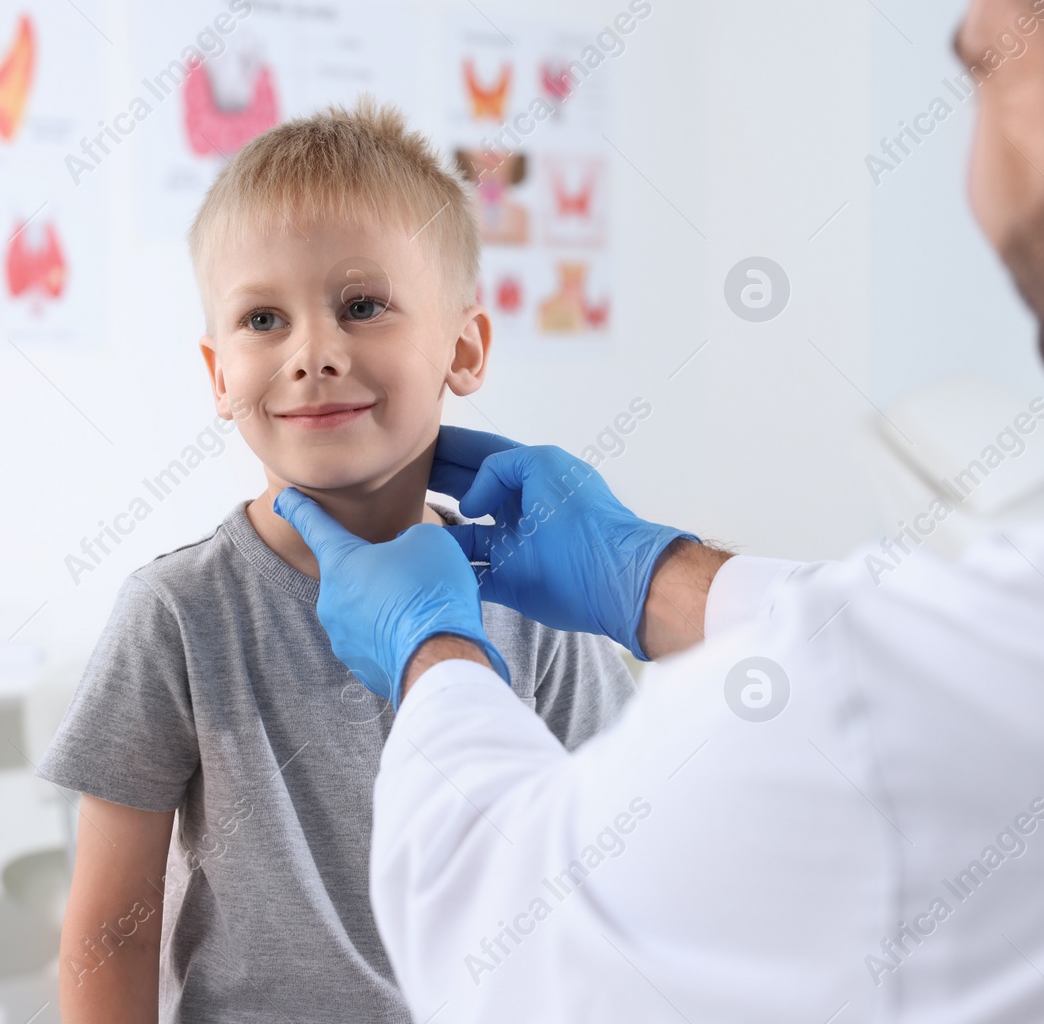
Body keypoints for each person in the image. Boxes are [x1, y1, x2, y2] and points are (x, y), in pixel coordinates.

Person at [276, 0, 1044, 1020]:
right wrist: (665, 579)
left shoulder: (871, 726)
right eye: (262, 315)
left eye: (985, 79)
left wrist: (434, 654)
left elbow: (506, 941)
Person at [37, 101, 636, 1023]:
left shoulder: (543, 599)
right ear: (218, 375)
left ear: (464, 348)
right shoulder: (177, 614)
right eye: (263, 318)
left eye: (363, 305)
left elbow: (607, 878)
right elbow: (107, 928)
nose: (313, 353)